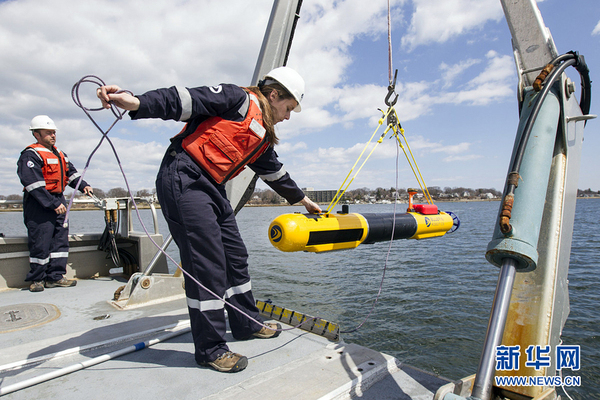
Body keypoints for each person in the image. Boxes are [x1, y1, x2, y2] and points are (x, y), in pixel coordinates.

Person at [97, 67, 321, 373]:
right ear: (273, 95)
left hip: (212, 188)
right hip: (184, 178)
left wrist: (302, 200)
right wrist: (136, 102)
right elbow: (183, 100)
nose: (288, 116)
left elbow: (273, 171)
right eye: (288, 108)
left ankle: (246, 322)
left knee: (235, 255)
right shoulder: (236, 99)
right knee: (207, 264)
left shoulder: (260, 133)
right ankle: (211, 348)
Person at [17, 115, 93, 292]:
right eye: (48, 133)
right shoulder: (30, 155)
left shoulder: (60, 154)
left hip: (58, 200)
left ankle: (55, 277)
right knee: (40, 241)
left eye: (54, 132)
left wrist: (83, 185)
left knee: (60, 241)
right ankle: (37, 280)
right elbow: (32, 183)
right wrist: (51, 203)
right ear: (36, 134)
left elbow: (71, 174)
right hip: (40, 203)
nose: (53, 135)